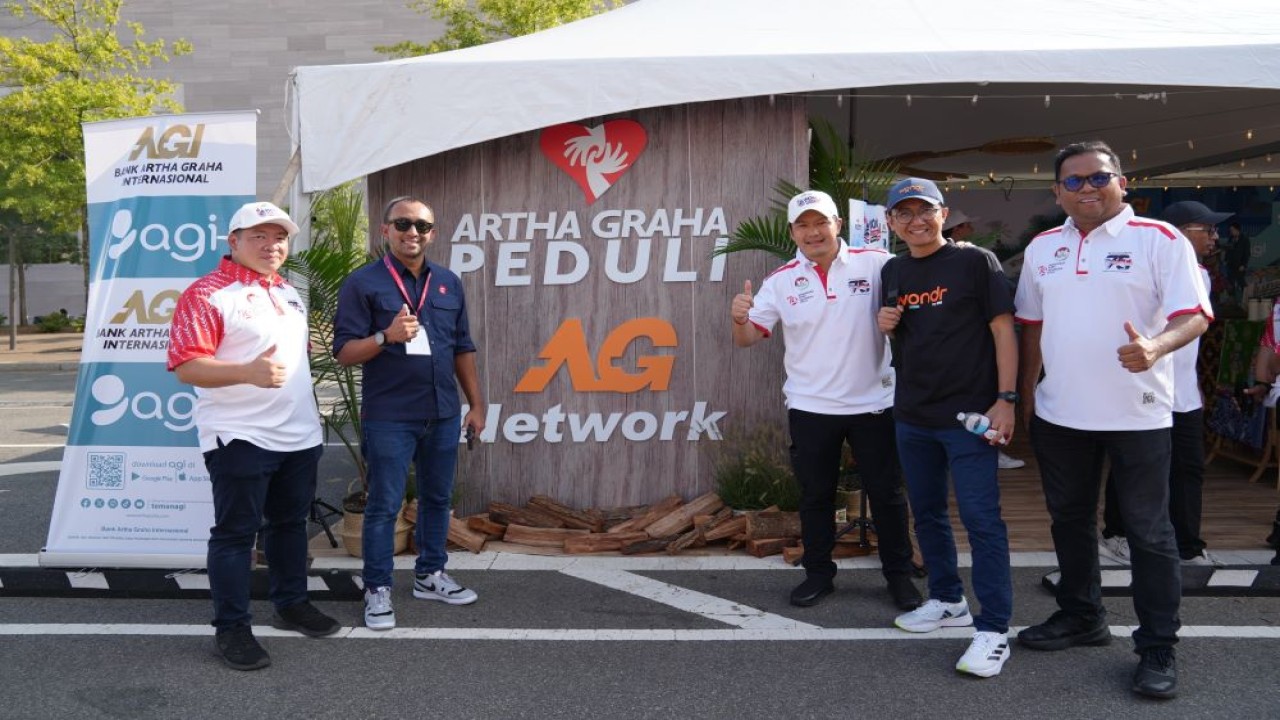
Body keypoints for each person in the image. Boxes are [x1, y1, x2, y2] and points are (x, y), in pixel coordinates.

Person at [1014, 141, 1211, 699]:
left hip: (1138, 414)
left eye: (1098, 177)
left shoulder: (1160, 239)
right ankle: (1082, 616)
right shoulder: (1043, 248)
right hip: (1061, 414)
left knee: (1149, 533)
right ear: (1058, 192)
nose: (1087, 188)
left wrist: (1156, 346)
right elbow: (1032, 324)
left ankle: (1157, 645)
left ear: (1122, 182)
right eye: (1073, 181)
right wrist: (1026, 392)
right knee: (1070, 520)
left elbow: (1195, 315)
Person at [730, 189, 921, 612]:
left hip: (874, 403)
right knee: (815, 496)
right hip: (810, 407)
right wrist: (739, 318)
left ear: (838, 224)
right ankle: (818, 573)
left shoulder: (877, 263)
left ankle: (899, 575)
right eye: (803, 225)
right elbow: (745, 339)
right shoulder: (780, 281)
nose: (813, 232)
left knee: (887, 494)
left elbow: (921, 289)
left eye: (821, 222)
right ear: (792, 232)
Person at [168, 201, 340, 671]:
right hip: (239, 436)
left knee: (289, 526)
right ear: (234, 241)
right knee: (235, 536)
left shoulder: (288, 290)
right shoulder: (206, 293)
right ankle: (232, 629)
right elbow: (187, 366)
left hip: (299, 435)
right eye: (258, 236)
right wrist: (247, 372)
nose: (271, 245)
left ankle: (291, 604)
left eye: (279, 237)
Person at [875, 178, 1018, 679]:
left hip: (969, 418)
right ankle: (947, 599)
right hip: (913, 415)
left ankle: (994, 629)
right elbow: (907, 336)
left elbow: (1003, 330)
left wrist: (1006, 401)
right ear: (891, 223)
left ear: (943, 213)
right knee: (928, 513)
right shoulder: (893, 270)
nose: (915, 220)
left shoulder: (975, 262)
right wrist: (887, 324)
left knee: (982, 520)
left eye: (925, 210)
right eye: (904, 213)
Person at [334, 195, 486, 630]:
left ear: (432, 233)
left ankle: (429, 574)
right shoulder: (362, 283)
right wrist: (385, 336)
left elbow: (462, 347)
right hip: (390, 415)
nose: (412, 232)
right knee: (384, 505)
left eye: (421, 225)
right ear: (386, 230)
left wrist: (475, 404)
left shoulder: (448, 282)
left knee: (437, 499)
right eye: (402, 224)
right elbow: (344, 352)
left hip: (442, 412)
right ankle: (377, 588)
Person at [1098, 200, 1229, 568]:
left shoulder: (1199, 274)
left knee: (1187, 470)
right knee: (1132, 467)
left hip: (1183, 394)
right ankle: (1116, 535)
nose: (1214, 237)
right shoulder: (1144, 267)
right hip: (1143, 389)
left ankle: (1188, 547)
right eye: (1207, 229)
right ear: (1179, 233)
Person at [944, 209, 1026, 472]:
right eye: (966, 225)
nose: (970, 229)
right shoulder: (944, 261)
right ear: (956, 229)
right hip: (963, 353)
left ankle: (994, 447)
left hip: (984, 345)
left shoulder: (977, 257)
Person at [1224, 222, 1250, 301]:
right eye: (1230, 230)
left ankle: (1246, 299)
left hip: (1239, 266)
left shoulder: (1244, 239)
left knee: (1241, 282)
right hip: (1230, 264)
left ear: (1237, 230)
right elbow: (1228, 249)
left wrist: (1243, 265)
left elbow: (1247, 253)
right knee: (1230, 282)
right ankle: (1232, 300)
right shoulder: (1231, 238)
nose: (1231, 232)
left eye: (1232, 230)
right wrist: (1226, 259)